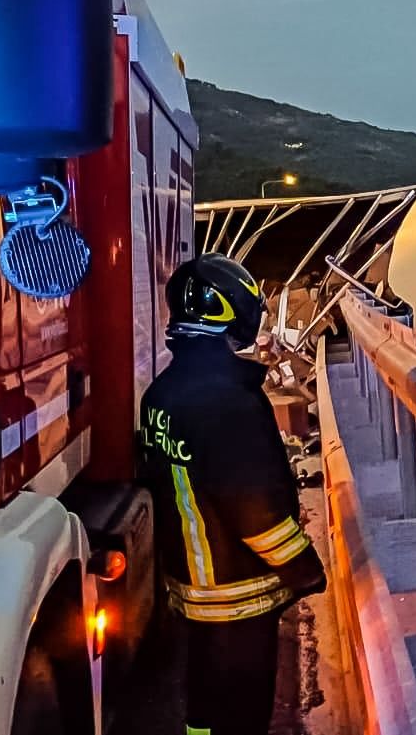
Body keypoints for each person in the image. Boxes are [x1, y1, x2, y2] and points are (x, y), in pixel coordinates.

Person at [139, 253, 326, 735]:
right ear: (232, 312)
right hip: (238, 597)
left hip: (192, 591)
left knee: (203, 708)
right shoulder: (228, 401)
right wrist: (304, 570)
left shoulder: (160, 394)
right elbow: (256, 510)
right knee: (242, 714)